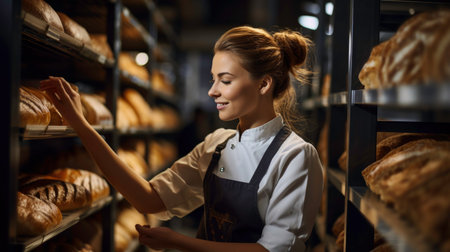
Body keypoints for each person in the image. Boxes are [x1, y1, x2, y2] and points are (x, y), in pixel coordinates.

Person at [40, 26, 323, 252]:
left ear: (263, 84)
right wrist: (82, 125)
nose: (212, 91)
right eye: (213, 79)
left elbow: (272, 250)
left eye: (225, 80)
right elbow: (149, 199)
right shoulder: (217, 145)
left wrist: (176, 242)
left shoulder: (296, 156)